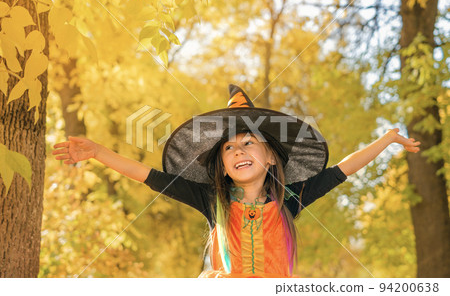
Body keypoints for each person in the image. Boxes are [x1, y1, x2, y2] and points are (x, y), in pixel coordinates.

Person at [52, 84, 421, 278]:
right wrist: (99, 151)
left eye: (248, 143)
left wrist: (386, 139)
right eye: (229, 148)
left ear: (271, 156)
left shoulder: (290, 199)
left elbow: (343, 169)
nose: (238, 151)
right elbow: (151, 176)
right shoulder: (211, 199)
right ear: (223, 166)